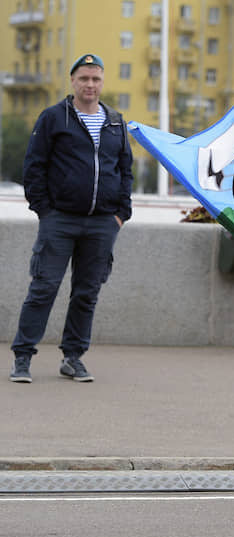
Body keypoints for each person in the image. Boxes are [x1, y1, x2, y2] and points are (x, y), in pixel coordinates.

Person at [9, 54, 133, 384]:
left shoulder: (116, 122)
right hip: (59, 220)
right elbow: (34, 167)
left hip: (102, 223)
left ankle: (73, 357)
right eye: (84, 79)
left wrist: (121, 214)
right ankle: (23, 357)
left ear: (102, 82)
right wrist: (45, 211)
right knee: (43, 288)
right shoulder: (54, 118)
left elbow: (125, 170)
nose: (90, 85)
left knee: (86, 293)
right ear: (73, 82)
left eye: (95, 79)